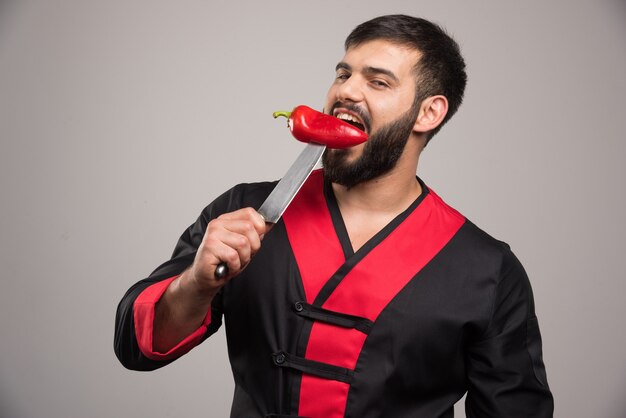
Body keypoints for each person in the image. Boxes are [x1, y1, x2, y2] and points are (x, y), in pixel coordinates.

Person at [115, 14, 554, 418]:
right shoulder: (242, 213)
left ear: (429, 112)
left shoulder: (487, 271)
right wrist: (196, 284)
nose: (345, 90)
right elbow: (136, 344)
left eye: (378, 82)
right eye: (343, 73)